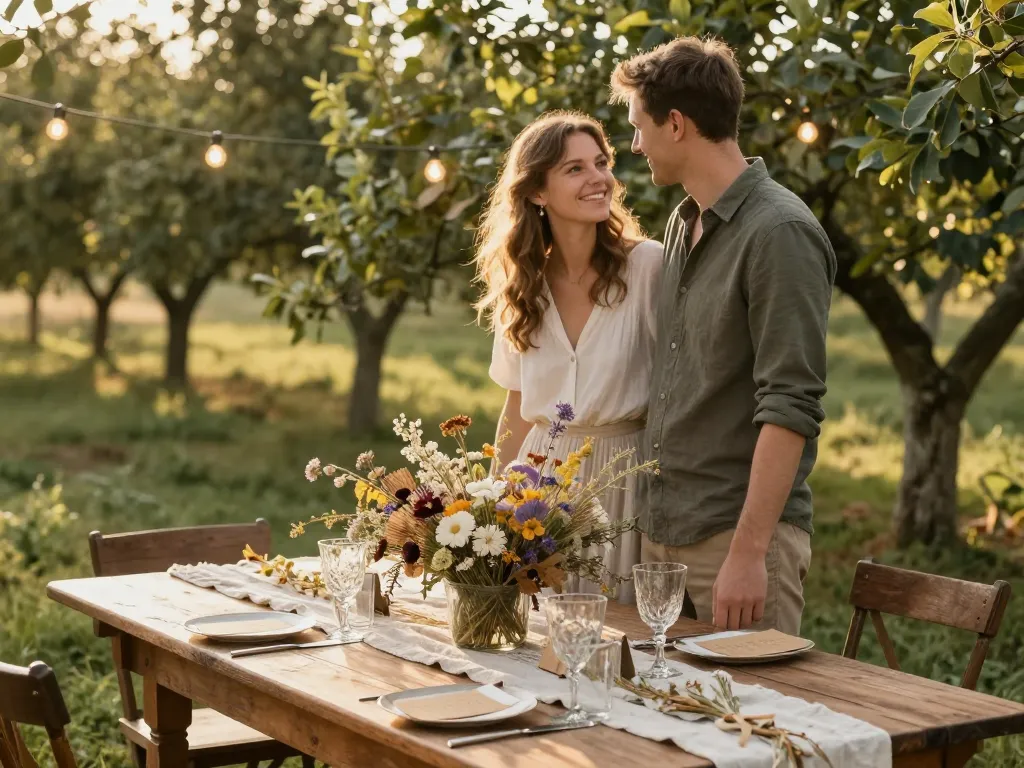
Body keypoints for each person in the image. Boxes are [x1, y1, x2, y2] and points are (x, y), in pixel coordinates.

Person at [610, 36, 837, 634]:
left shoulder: (780, 233)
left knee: (755, 722)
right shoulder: (684, 222)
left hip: (734, 544)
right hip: (665, 535)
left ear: (677, 124)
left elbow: (791, 406)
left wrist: (748, 553)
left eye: (638, 126)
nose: (634, 144)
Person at [474, 110, 663, 604]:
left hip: (626, 475)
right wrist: (492, 512)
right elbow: (516, 407)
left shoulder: (648, 267)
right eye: (575, 168)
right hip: (542, 484)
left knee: (623, 637)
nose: (598, 178)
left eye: (601, 162)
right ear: (537, 191)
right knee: (541, 639)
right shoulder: (522, 285)